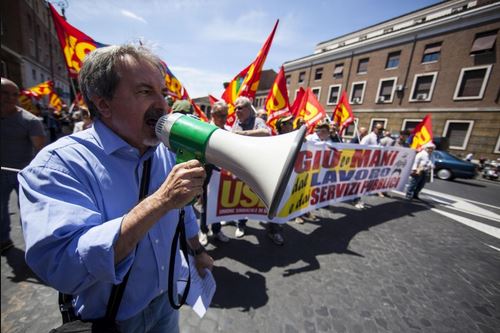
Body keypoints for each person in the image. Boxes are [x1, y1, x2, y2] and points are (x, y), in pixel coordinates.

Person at [18, 45, 213, 332]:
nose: (162, 105)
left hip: (166, 304)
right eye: (145, 92)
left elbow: (184, 212)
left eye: (163, 93)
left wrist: (196, 251)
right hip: (115, 320)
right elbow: (63, 266)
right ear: (104, 105)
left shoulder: (164, 151)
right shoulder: (57, 165)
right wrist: (159, 201)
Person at [230, 97, 285, 245]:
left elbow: (266, 132)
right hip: (242, 169)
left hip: (260, 170)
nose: (236, 111)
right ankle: (241, 225)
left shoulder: (257, 121)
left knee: (268, 201)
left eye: (240, 108)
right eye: (235, 108)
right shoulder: (236, 122)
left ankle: (273, 230)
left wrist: (243, 134)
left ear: (249, 109)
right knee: (241, 199)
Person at [0, 77, 46, 252]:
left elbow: (41, 151)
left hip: (23, 174)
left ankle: (35, 247)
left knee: (29, 213)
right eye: (4, 93)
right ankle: (3, 240)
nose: (10, 98)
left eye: (14, 94)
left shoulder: (30, 121)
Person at [198, 101, 230, 246]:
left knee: (218, 204)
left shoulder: (227, 131)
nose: (224, 119)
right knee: (206, 204)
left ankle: (217, 230)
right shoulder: (204, 130)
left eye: (226, 115)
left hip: (222, 175)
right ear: (212, 115)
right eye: (220, 115)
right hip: (207, 174)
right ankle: (203, 231)